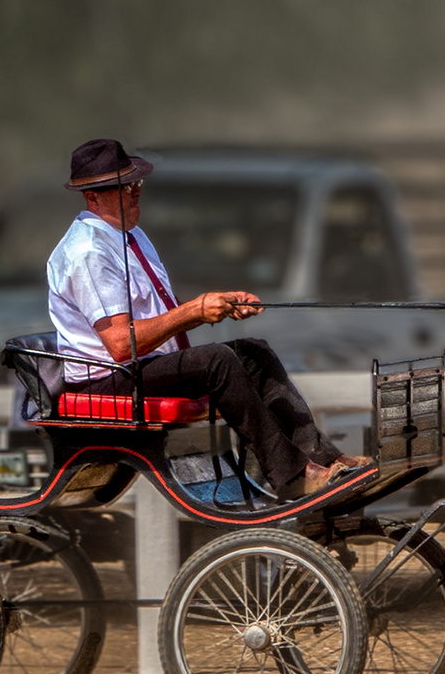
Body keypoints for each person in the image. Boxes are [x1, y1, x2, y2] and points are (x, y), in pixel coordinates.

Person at [46, 138, 367, 499]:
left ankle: (325, 458)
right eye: (122, 187)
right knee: (217, 361)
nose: (135, 192)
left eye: (136, 183)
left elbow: (157, 316)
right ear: (92, 197)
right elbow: (121, 345)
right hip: (108, 381)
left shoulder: (128, 236)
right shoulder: (88, 251)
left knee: (253, 352)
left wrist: (219, 305)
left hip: (142, 368)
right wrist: (195, 311)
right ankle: (293, 475)